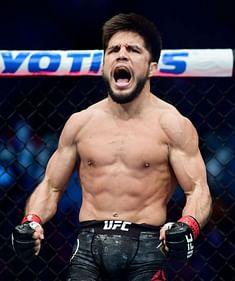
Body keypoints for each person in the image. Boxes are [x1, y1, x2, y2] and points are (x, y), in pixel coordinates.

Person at [11, 13, 212, 280]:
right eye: (113, 50)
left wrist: (188, 226)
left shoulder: (172, 124)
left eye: (133, 49)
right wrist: (31, 222)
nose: (121, 55)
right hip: (88, 247)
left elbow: (198, 190)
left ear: (151, 67)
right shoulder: (80, 123)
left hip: (147, 245)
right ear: (103, 66)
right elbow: (51, 185)